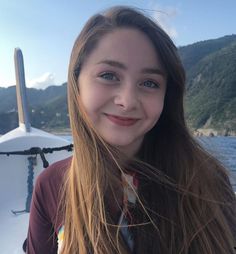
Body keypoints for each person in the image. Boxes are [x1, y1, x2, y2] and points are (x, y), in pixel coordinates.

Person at [26, 6, 236, 254]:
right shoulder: (51, 185)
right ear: (76, 83)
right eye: (108, 75)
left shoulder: (205, 181)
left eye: (149, 83)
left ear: (167, 95)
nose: (127, 101)